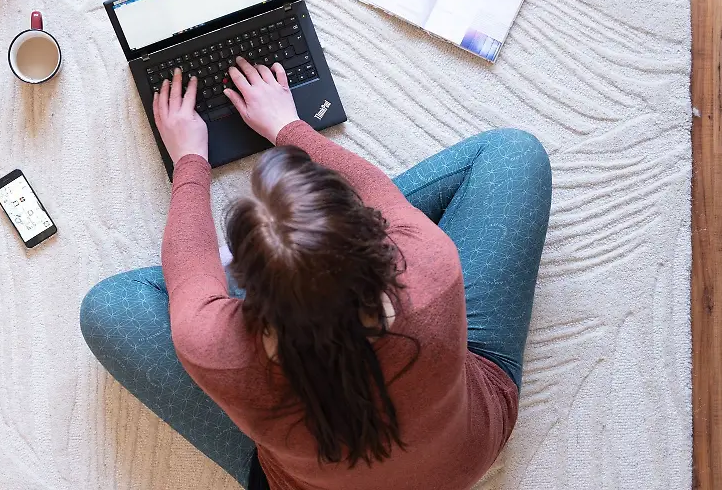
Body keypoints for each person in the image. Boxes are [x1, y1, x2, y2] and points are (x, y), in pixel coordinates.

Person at [80, 57, 552, 490]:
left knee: (106, 306)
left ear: (244, 287)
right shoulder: (428, 265)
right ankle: (305, 260)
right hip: (465, 452)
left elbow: (189, 270)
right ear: (374, 234)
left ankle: (293, 273)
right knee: (513, 152)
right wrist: (290, 126)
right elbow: (373, 186)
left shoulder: (216, 348)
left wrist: (190, 158)